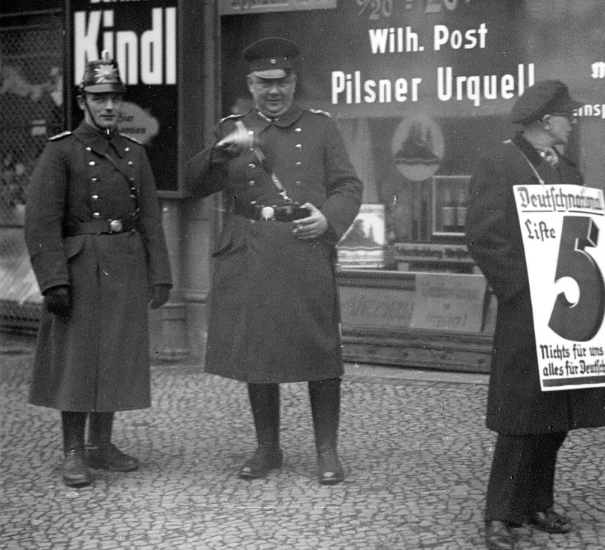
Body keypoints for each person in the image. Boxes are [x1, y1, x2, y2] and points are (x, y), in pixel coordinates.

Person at [185, 37, 363, 484]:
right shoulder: (233, 129)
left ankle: (326, 450)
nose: (273, 91)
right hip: (251, 250)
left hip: (305, 246)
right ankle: (268, 448)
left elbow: (349, 186)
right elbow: (194, 184)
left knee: (320, 348)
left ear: (293, 82)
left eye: (281, 82)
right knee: (257, 350)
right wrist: (218, 152)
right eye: (264, 83)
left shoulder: (320, 128)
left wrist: (328, 219)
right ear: (250, 84)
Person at [465, 80, 605, 550]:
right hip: (526, 308)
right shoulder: (499, 163)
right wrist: (523, 287)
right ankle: (499, 514)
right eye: (568, 115)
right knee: (520, 412)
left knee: (557, 410)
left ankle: (537, 503)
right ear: (547, 121)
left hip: (568, 306)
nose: (574, 122)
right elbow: (483, 236)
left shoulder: (568, 170)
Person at [24, 52, 172, 487]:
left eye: (115, 98)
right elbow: (41, 221)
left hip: (125, 265)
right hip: (80, 268)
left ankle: (102, 445)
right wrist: (53, 280)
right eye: (99, 97)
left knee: (115, 355)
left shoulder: (133, 152)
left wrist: (160, 273)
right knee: (78, 358)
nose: (108, 106)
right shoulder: (62, 151)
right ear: (82, 100)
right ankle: (73, 451)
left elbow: (150, 218)